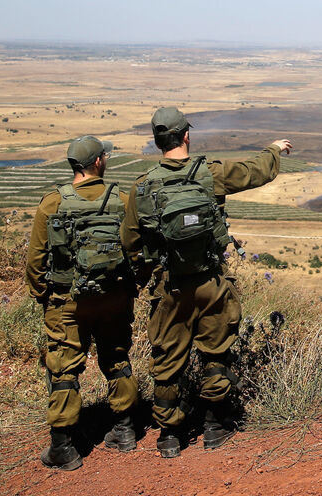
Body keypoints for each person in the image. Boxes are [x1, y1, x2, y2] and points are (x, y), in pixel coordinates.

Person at [122, 106, 291, 458]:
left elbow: (131, 244)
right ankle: (216, 425)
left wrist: (144, 278)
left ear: (157, 143)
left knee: (167, 359)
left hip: (170, 286)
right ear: (187, 136)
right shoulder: (210, 173)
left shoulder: (142, 187)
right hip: (212, 281)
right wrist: (273, 149)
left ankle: (170, 434)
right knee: (216, 351)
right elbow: (255, 172)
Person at [25, 135, 139, 470]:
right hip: (115, 298)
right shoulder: (122, 198)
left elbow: (35, 262)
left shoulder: (52, 203)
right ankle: (125, 430)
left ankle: (63, 446)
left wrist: (44, 297)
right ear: (98, 162)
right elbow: (136, 249)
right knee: (117, 356)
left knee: (64, 365)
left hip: (67, 300)